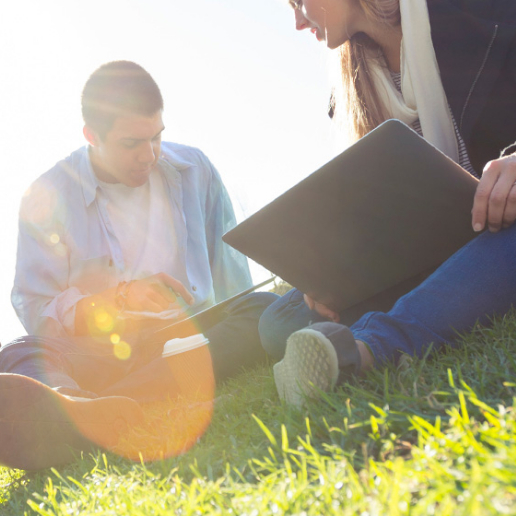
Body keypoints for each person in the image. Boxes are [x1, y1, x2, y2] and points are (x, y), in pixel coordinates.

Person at [1, 61, 277, 470]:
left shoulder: (195, 170)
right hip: (100, 352)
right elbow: (34, 305)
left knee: (257, 313)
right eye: (132, 143)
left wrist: (241, 314)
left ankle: (80, 414)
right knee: (18, 353)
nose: (148, 155)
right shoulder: (47, 196)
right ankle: (89, 402)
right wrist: (114, 302)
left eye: (157, 137)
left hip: (188, 342)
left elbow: (232, 278)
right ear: (91, 136)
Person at [259, 0, 516, 407]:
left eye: (298, 1)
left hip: (501, 225)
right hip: (430, 247)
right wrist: (329, 267)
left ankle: (365, 352)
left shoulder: (478, 15)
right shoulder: (351, 86)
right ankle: (439, 299)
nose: (296, 21)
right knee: (281, 318)